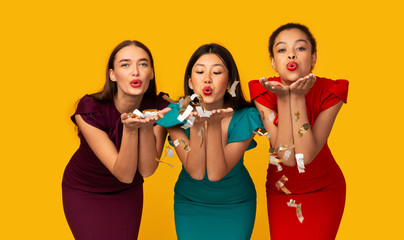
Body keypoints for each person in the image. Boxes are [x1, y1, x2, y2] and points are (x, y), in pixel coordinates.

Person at [248, 23, 348, 239]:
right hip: (281, 191)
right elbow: (286, 157)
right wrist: (284, 98)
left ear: (313, 58)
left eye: (300, 48)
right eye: (282, 50)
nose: (291, 55)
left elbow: (305, 156)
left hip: (324, 190)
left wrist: (297, 98)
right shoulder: (263, 91)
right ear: (273, 62)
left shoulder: (331, 91)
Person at [62, 40, 170, 240]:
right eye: (125, 64)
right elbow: (124, 173)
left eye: (143, 64)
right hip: (85, 189)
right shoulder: (89, 109)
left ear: (152, 73)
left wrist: (146, 127)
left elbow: (147, 170)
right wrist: (130, 129)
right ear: (112, 74)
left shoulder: (161, 107)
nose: (135, 71)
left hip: (128, 190)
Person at [157, 43, 263, 240]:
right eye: (199, 72)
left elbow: (216, 173)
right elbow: (196, 171)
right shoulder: (174, 116)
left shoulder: (247, 117)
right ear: (190, 82)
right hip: (189, 204)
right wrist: (198, 123)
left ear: (230, 81)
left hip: (236, 205)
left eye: (216, 72)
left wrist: (213, 125)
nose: (207, 78)